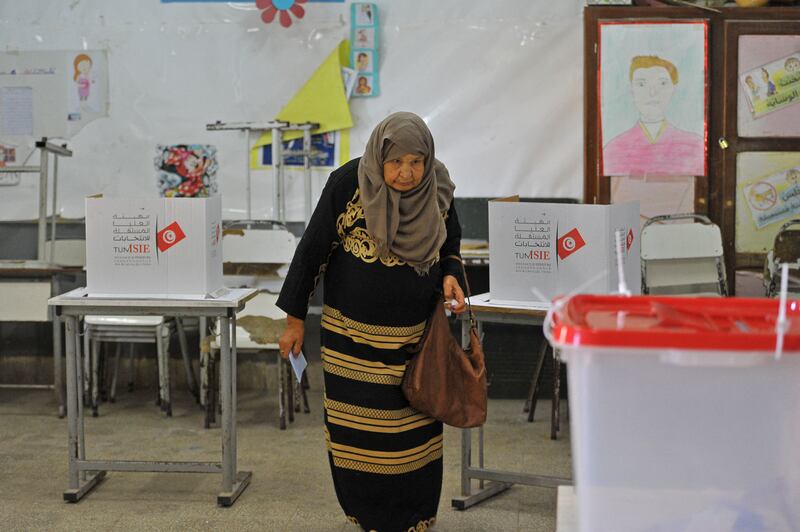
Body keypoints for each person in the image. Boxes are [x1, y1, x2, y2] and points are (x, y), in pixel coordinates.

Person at [277, 112, 466, 532]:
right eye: (396, 162)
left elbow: (451, 240)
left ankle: (416, 516)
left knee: (415, 434)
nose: (406, 172)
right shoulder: (347, 185)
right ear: (379, 157)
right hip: (352, 342)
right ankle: (369, 517)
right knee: (360, 436)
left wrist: (451, 273)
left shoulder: (436, 187)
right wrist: (293, 322)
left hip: (417, 343)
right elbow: (310, 254)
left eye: (416, 162)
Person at [603, 55, 704, 177]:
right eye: (641, 84)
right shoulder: (614, 150)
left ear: (674, 88)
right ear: (631, 89)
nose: (652, 93)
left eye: (662, 83)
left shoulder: (694, 146)